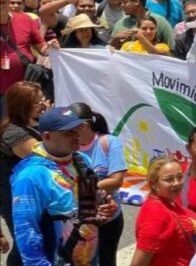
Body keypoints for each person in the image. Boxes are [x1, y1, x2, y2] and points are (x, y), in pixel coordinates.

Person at [11, 106, 117, 266]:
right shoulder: (31, 176)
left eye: (77, 129)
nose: (76, 136)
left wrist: (104, 208)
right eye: (68, 132)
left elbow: (89, 209)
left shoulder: (81, 160)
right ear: (47, 136)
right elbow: (26, 230)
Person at [68, 103, 126, 266]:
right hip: (76, 220)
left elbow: (116, 181)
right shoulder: (68, 148)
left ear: (84, 126)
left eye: (70, 128)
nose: (66, 132)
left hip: (108, 219)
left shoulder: (108, 142)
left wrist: (79, 188)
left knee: (107, 260)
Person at [1, 81, 46, 266]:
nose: (43, 104)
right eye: (37, 103)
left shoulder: (35, 124)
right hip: (16, 199)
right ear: (22, 106)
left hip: (33, 196)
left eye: (42, 99)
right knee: (26, 246)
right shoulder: (14, 133)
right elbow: (46, 157)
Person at [130, 156, 196, 266]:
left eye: (179, 177)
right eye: (169, 179)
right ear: (154, 184)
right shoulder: (156, 213)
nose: (176, 183)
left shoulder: (170, 202)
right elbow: (138, 263)